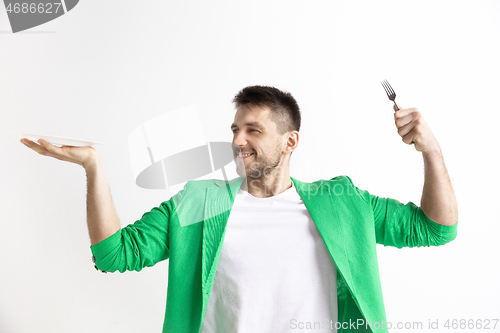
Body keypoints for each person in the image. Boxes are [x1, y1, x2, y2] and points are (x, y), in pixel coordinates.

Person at [21, 85, 458, 333]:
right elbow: (114, 254)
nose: (237, 141)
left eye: (253, 130)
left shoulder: (342, 202)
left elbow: (437, 229)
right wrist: (94, 168)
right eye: (234, 129)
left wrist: (431, 150)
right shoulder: (199, 203)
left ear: (290, 141)